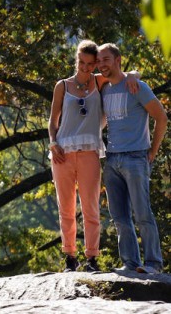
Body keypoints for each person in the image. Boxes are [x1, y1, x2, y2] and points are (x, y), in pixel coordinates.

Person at [48, 40, 139, 272]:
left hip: (90, 153)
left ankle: (91, 258)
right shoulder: (63, 85)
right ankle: (70, 257)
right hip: (62, 155)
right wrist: (52, 143)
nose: (86, 67)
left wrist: (132, 76)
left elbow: (130, 73)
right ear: (76, 60)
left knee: (91, 208)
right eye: (82, 62)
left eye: (91, 64)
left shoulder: (99, 82)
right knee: (66, 208)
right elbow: (52, 121)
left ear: (95, 64)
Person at [97, 43, 168, 274]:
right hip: (112, 159)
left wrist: (152, 151)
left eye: (105, 59)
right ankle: (130, 263)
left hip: (136, 158)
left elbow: (162, 117)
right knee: (119, 217)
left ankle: (153, 264)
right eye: (99, 61)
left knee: (142, 213)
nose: (101, 65)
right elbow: (82, 75)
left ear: (118, 59)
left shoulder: (137, 87)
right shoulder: (104, 88)